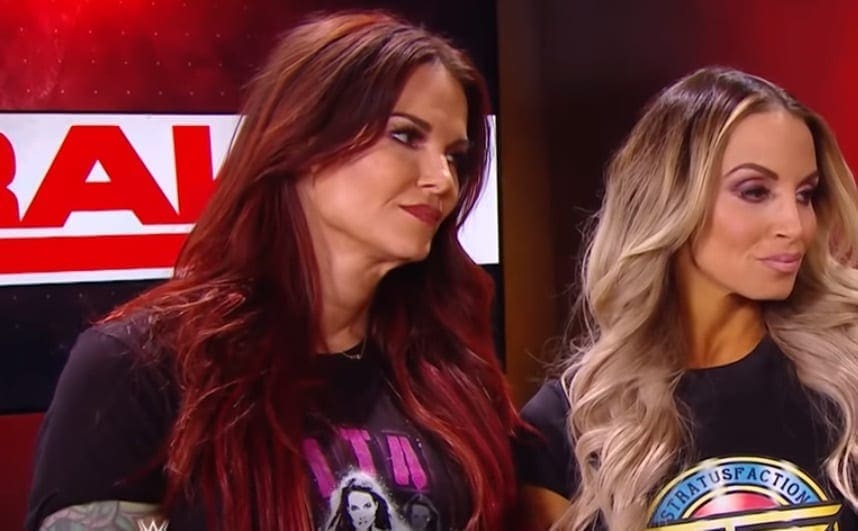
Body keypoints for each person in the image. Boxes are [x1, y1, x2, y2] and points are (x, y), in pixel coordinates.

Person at [26, 11, 520, 531]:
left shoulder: (450, 369)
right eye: (405, 135)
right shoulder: (138, 367)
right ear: (302, 139)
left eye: (454, 156)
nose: (442, 180)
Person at [515, 66, 858, 530]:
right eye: (755, 191)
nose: (794, 226)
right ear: (671, 198)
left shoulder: (848, 377)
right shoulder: (568, 422)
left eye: (805, 194)